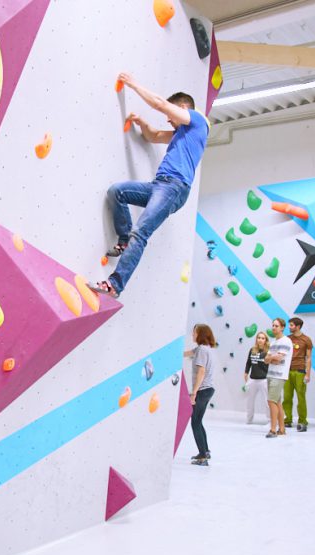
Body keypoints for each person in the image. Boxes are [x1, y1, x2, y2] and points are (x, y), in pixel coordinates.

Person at [91, 73, 208, 299]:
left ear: (183, 108)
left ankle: (115, 285)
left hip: (174, 188)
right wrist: (142, 123)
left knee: (141, 232)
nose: (168, 119)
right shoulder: (182, 133)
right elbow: (153, 136)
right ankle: (123, 242)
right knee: (118, 192)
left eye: (172, 114)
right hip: (159, 185)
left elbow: (160, 104)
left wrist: (132, 83)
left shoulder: (197, 121)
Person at [184, 324, 217, 465]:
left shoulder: (202, 351)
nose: (192, 335)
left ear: (201, 334)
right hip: (207, 390)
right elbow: (187, 353)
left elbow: (201, 372)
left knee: (195, 422)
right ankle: (206, 451)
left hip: (203, 390)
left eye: (194, 333)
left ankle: (203, 457)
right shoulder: (201, 349)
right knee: (198, 421)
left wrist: (194, 393)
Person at [282, 317, 313, 432]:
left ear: (298, 326)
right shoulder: (287, 339)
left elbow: (309, 358)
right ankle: (287, 420)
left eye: (291, 325)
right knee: (287, 397)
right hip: (287, 371)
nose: (289, 327)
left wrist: (307, 374)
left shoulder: (306, 340)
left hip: (300, 371)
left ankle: (302, 421)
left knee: (301, 398)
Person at [265, 318, 293, 438]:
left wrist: (272, 358)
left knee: (271, 401)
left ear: (282, 327)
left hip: (279, 375)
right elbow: (266, 359)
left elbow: (279, 358)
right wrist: (272, 358)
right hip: (271, 374)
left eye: (276, 326)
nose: (273, 328)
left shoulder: (286, 341)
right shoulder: (273, 342)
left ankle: (273, 429)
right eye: (273, 325)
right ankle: (282, 429)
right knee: (277, 402)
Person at [243, 331, 270, 426]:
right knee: (249, 401)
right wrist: (246, 373)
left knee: (267, 401)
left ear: (266, 340)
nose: (260, 340)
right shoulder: (252, 350)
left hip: (264, 380)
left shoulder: (268, 351)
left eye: (263, 338)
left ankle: (270, 420)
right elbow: (248, 362)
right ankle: (249, 419)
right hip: (253, 379)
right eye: (259, 337)